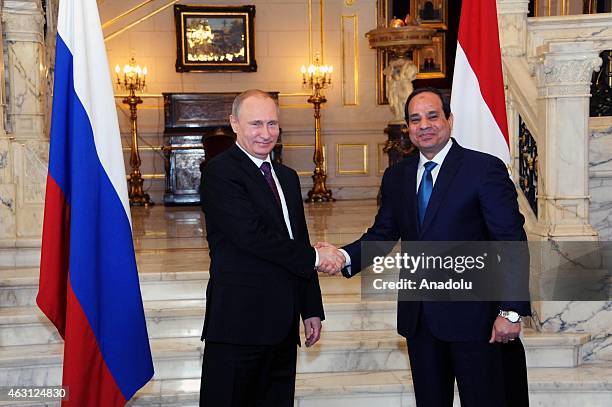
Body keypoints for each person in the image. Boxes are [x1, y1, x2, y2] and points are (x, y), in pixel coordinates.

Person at [318, 87, 530, 406]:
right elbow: (383, 234)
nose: (424, 125)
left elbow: (511, 240)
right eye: (415, 119)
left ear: (449, 119)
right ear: (408, 127)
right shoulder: (397, 176)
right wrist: (343, 256)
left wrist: (511, 311)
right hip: (421, 322)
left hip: (477, 320)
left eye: (433, 116)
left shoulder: (483, 170)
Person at [199, 89, 345, 406]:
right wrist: (319, 257)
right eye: (256, 124)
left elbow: (296, 239)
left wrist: (311, 307)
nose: (266, 134)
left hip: (282, 323)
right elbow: (251, 237)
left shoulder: (287, 177)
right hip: (239, 324)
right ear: (234, 123)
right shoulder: (220, 173)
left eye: (272, 124)